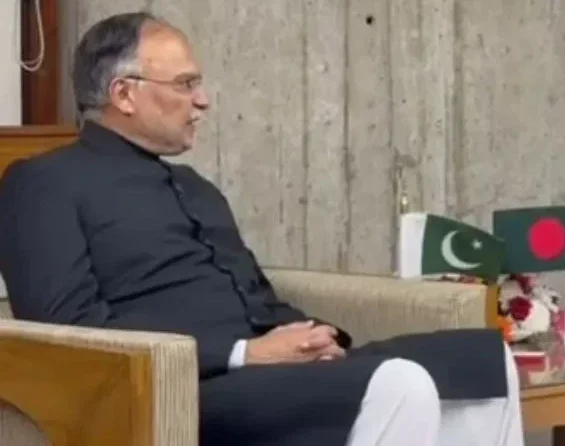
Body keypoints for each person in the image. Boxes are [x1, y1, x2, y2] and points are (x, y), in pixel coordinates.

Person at [0, 12, 524, 446]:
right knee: (399, 384)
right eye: (185, 84)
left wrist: (313, 337)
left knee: (483, 359)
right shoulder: (43, 183)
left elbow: (256, 297)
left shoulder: (195, 186)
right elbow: (66, 331)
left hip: (269, 371)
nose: (203, 100)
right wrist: (244, 354)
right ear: (124, 93)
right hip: (185, 391)